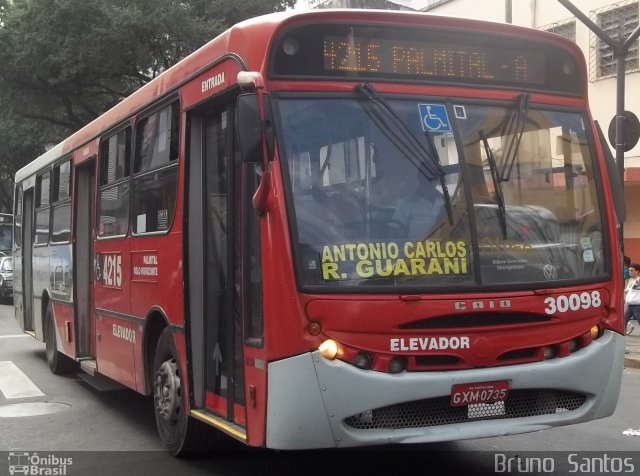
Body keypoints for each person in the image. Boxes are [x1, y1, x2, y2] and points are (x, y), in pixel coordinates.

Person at [393, 162, 444, 238]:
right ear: (420, 177)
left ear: (438, 179)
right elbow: (395, 231)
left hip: (445, 246)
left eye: (434, 176)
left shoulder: (447, 202)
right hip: (416, 248)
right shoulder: (406, 203)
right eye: (426, 175)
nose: (430, 179)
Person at [624, 262, 640, 335]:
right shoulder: (630, 280)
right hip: (629, 304)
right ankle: (622, 333)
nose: (630, 272)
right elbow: (627, 291)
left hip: (637, 304)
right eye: (629, 270)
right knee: (624, 319)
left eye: (632, 271)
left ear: (637, 271)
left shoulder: (639, 280)